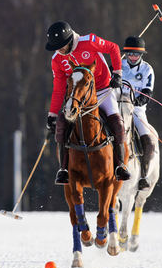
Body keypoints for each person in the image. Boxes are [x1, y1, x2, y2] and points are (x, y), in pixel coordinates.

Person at [45, 21, 131, 185]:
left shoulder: (89, 41)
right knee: (62, 124)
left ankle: (121, 166)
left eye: (62, 46)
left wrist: (117, 74)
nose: (60, 50)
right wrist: (53, 114)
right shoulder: (57, 60)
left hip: (103, 91)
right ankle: (63, 170)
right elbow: (58, 89)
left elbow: (113, 48)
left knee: (117, 123)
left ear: (70, 40)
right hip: (77, 98)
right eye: (57, 47)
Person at [121, 35, 156, 190]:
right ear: (126, 53)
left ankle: (143, 176)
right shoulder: (117, 65)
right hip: (116, 108)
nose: (133, 57)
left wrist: (135, 101)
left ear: (142, 55)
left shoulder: (147, 69)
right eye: (130, 54)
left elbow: (147, 93)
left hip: (136, 111)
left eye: (136, 54)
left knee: (148, 141)